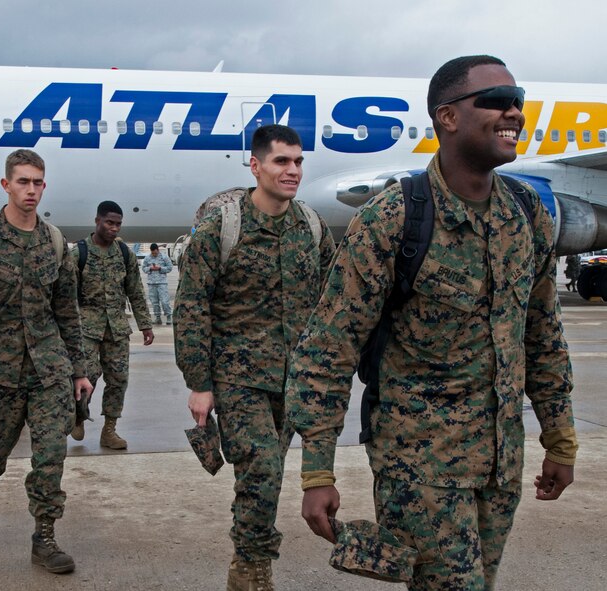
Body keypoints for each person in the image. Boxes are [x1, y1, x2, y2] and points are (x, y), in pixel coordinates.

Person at [287, 56, 577, 591]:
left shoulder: (526, 215)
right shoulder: (394, 217)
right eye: (496, 100)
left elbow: (542, 333)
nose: (513, 110)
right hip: (419, 470)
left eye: (519, 99)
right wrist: (318, 471)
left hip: (499, 462)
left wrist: (560, 439)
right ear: (446, 117)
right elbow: (327, 350)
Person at [174, 124, 335, 591]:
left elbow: (329, 297)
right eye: (282, 161)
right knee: (262, 468)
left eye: (298, 161)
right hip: (237, 378)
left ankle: (250, 555)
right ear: (256, 165)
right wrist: (199, 383)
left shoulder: (311, 226)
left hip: (293, 378)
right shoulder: (220, 229)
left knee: (267, 475)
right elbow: (191, 307)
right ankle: (250, 569)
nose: (293, 171)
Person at [0, 149, 92, 574]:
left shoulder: (55, 241)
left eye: (38, 182)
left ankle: (44, 538)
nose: (31, 190)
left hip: (49, 372)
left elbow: (67, 310)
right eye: (23, 181)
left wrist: (80, 370)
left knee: (50, 456)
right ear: (6, 184)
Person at [70, 201, 154, 449]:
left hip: (117, 328)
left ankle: (109, 430)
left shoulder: (124, 253)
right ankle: (78, 416)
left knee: (118, 379)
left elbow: (135, 291)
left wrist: (145, 324)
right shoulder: (79, 253)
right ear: (97, 221)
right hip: (87, 329)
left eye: (118, 224)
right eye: (109, 223)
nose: (114, 228)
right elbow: (67, 296)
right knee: (87, 376)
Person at [141, 242, 173, 325]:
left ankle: (169, 316)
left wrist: (160, 268)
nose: (154, 254)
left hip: (162, 282)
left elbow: (170, 268)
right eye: (152, 253)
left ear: (158, 250)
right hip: (151, 283)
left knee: (164, 301)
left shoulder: (164, 257)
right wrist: (150, 268)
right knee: (154, 302)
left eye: (155, 253)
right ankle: (157, 317)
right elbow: (144, 268)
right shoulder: (147, 258)